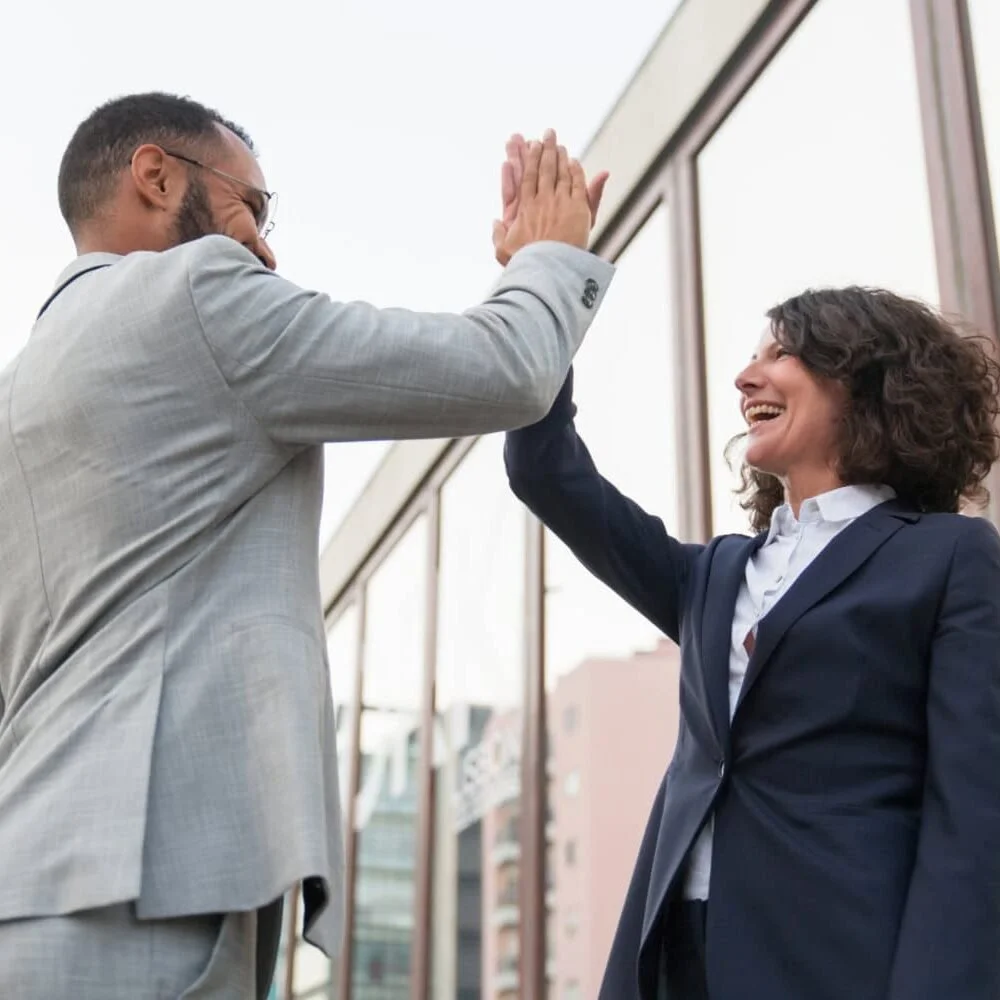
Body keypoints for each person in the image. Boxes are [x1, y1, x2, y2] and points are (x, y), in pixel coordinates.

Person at [0, 92, 612, 999]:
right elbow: (505, 366)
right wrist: (550, 257)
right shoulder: (197, 295)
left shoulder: (24, 389)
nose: (263, 245)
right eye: (251, 205)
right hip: (149, 891)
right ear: (156, 174)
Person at [504, 283, 1000, 998]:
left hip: (842, 958)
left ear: (864, 382)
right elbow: (544, 470)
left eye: (783, 353)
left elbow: (973, 811)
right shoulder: (713, 573)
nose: (745, 377)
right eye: (749, 357)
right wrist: (550, 281)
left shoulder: (949, 557)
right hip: (677, 955)